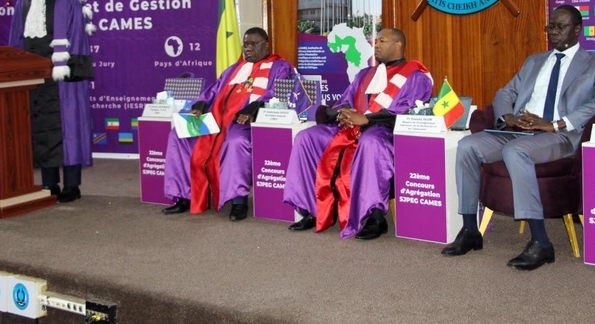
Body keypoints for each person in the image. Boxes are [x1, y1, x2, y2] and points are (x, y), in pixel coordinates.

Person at [441, 5, 595, 270]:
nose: (553, 32)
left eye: (560, 27)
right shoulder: (535, 61)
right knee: (467, 146)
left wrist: (554, 124)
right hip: (517, 130)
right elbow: (505, 93)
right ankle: (470, 230)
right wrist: (508, 117)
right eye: (550, 27)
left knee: (516, 152)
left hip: (559, 136)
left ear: (577, 30)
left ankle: (541, 242)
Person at [284, 28, 433, 240]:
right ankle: (312, 209)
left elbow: (410, 113)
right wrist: (343, 113)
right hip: (349, 129)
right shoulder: (365, 74)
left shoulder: (415, 77)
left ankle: (375, 216)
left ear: (398, 45)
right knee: (307, 137)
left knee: (371, 142)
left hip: (386, 133)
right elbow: (346, 100)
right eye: (376, 40)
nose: (376, 44)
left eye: (382, 40)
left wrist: (368, 120)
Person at [163, 28, 295, 221]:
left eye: (254, 44)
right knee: (178, 134)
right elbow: (212, 90)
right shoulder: (234, 69)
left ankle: (238, 200)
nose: (248, 48)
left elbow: (281, 93)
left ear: (266, 45)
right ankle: (184, 196)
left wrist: (254, 107)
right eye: (246, 44)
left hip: (245, 123)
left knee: (236, 142)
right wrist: (200, 105)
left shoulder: (279, 67)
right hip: (215, 122)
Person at [8, 0, 95, 203]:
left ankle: (71, 186)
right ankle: (49, 184)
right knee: (41, 129)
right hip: (36, 79)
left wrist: (72, 69)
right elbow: (16, 37)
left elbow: (78, 34)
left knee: (67, 131)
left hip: (62, 77)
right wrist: (17, 69)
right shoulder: (22, 0)